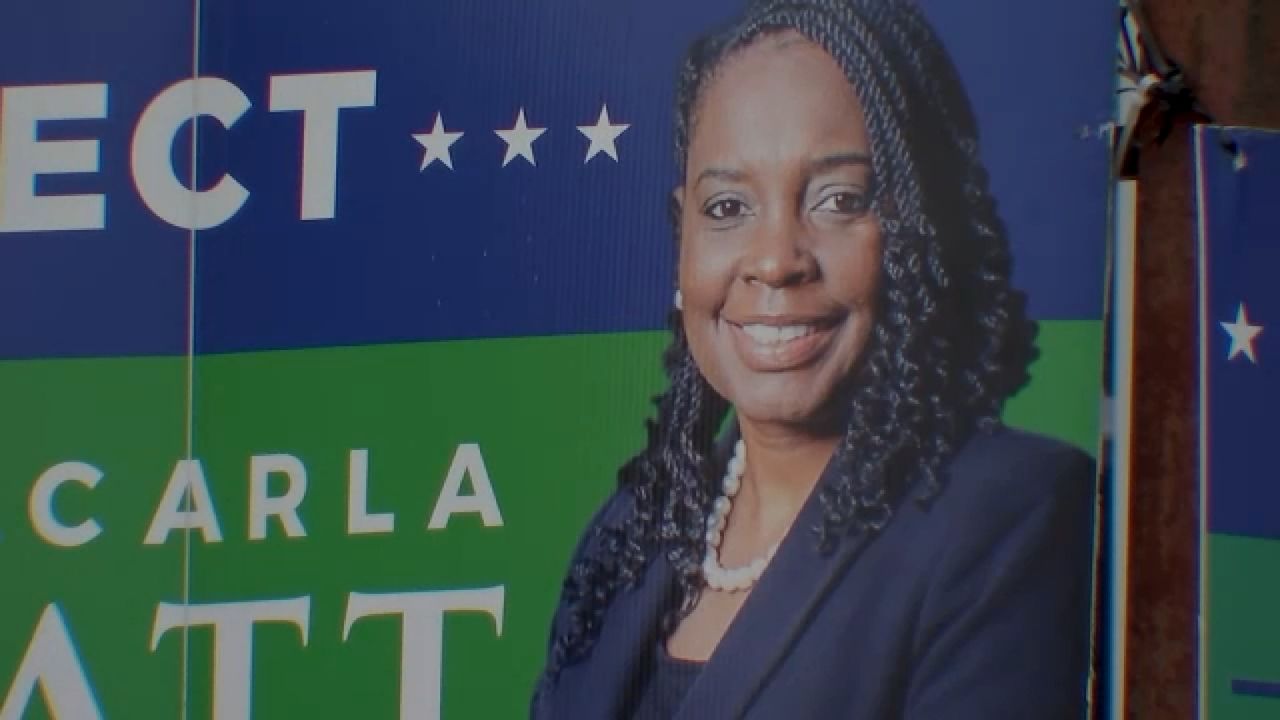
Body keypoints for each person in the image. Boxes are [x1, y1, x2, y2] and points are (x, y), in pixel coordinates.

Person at [531, 0, 1097, 717]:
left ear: (921, 232)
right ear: (683, 236)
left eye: (838, 200)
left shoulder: (1013, 516)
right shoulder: (629, 536)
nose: (775, 260)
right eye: (727, 208)